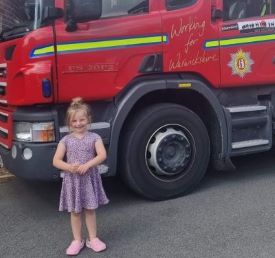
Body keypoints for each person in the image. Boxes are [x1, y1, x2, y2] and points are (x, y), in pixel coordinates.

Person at [53, 97, 109, 256]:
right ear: (69, 123)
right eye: (74, 121)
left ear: (88, 119)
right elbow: (56, 161)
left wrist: (87, 165)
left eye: (82, 119)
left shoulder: (95, 138)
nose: (78, 123)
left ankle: (92, 239)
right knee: (75, 212)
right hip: (73, 181)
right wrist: (69, 167)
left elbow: (102, 155)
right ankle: (77, 240)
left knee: (90, 210)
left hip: (89, 179)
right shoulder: (65, 140)